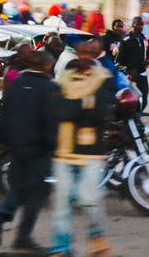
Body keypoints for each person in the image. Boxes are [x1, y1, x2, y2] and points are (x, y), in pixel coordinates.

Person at [50, 39, 116, 257]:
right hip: (64, 151)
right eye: (82, 53)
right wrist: (85, 102)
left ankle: (97, 239)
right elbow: (59, 110)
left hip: (92, 153)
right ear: (77, 54)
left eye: (91, 53)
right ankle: (61, 249)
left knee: (90, 200)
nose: (86, 57)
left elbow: (99, 114)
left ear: (96, 55)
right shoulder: (64, 77)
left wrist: (73, 106)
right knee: (62, 205)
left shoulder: (104, 78)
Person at [0, 50, 57, 252]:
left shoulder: (15, 84)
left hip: (16, 147)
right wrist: (53, 146)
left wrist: (3, 142)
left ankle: (1, 217)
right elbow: (50, 121)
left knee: (19, 187)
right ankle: (22, 236)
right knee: (36, 193)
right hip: (39, 148)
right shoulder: (49, 87)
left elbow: (3, 115)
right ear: (45, 66)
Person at [117, 16, 149, 111]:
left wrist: (148, 60)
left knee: (144, 98)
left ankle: (138, 115)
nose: (140, 26)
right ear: (133, 25)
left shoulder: (145, 40)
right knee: (132, 98)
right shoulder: (126, 40)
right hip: (131, 74)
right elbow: (119, 60)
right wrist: (127, 71)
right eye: (138, 24)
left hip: (142, 73)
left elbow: (148, 54)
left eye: (142, 24)